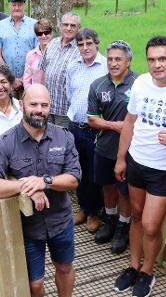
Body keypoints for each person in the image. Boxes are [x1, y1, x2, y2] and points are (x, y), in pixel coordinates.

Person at [113, 36, 166, 296]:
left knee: (151, 225)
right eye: (151, 59)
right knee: (136, 216)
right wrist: (120, 158)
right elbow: (129, 121)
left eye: (162, 59)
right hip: (137, 160)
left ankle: (147, 272)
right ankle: (133, 266)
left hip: (164, 170)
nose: (157, 65)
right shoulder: (140, 83)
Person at [0, 84, 81, 297]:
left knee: (64, 268)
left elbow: (74, 179)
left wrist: (44, 181)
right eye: (33, 104)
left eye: (44, 105)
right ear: (22, 105)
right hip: (26, 227)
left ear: (50, 107)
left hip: (61, 221)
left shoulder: (64, 137)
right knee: (35, 283)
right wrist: (26, 186)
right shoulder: (5, 143)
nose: (39, 109)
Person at [87, 41, 139, 254]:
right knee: (107, 186)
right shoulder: (98, 85)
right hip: (104, 148)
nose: (113, 63)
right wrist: (116, 126)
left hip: (130, 151)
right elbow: (92, 119)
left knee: (124, 191)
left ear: (128, 61)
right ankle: (109, 220)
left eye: (118, 59)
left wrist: (125, 128)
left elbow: (139, 120)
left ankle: (123, 227)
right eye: (110, 59)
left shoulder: (139, 84)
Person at [65, 28, 108, 233]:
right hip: (75, 127)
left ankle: (93, 213)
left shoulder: (107, 67)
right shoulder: (73, 66)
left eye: (89, 43)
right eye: (81, 44)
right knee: (78, 169)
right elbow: (69, 94)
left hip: (95, 130)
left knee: (93, 171)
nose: (85, 48)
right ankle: (83, 207)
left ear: (96, 44)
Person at [38, 12, 81, 127]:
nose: (68, 28)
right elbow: (43, 72)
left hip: (65, 110)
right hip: (48, 106)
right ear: (60, 26)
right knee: (45, 139)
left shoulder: (80, 49)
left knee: (62, 142)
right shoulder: (52, 43)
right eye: (65, 24)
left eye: (73, 25)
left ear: (79, 28)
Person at [0, 0, 37, 90]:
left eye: (20, 5)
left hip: (30, 80)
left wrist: (25, 78)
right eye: (14, 5)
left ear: (24, 5)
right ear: (9, 5)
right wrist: (11, 77)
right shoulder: (0, 25)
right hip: (6, 80)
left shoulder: (34, 25)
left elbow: (38, 54)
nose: (17, 8)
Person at [22, 19, 53, 87]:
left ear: (51, 33)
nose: (43, 36)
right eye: (40, 34)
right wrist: (31, 93)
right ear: (36, 36)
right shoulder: (31, 55)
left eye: (46, 32)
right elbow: (26, 80)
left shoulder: (58, 53)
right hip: (36, 94)